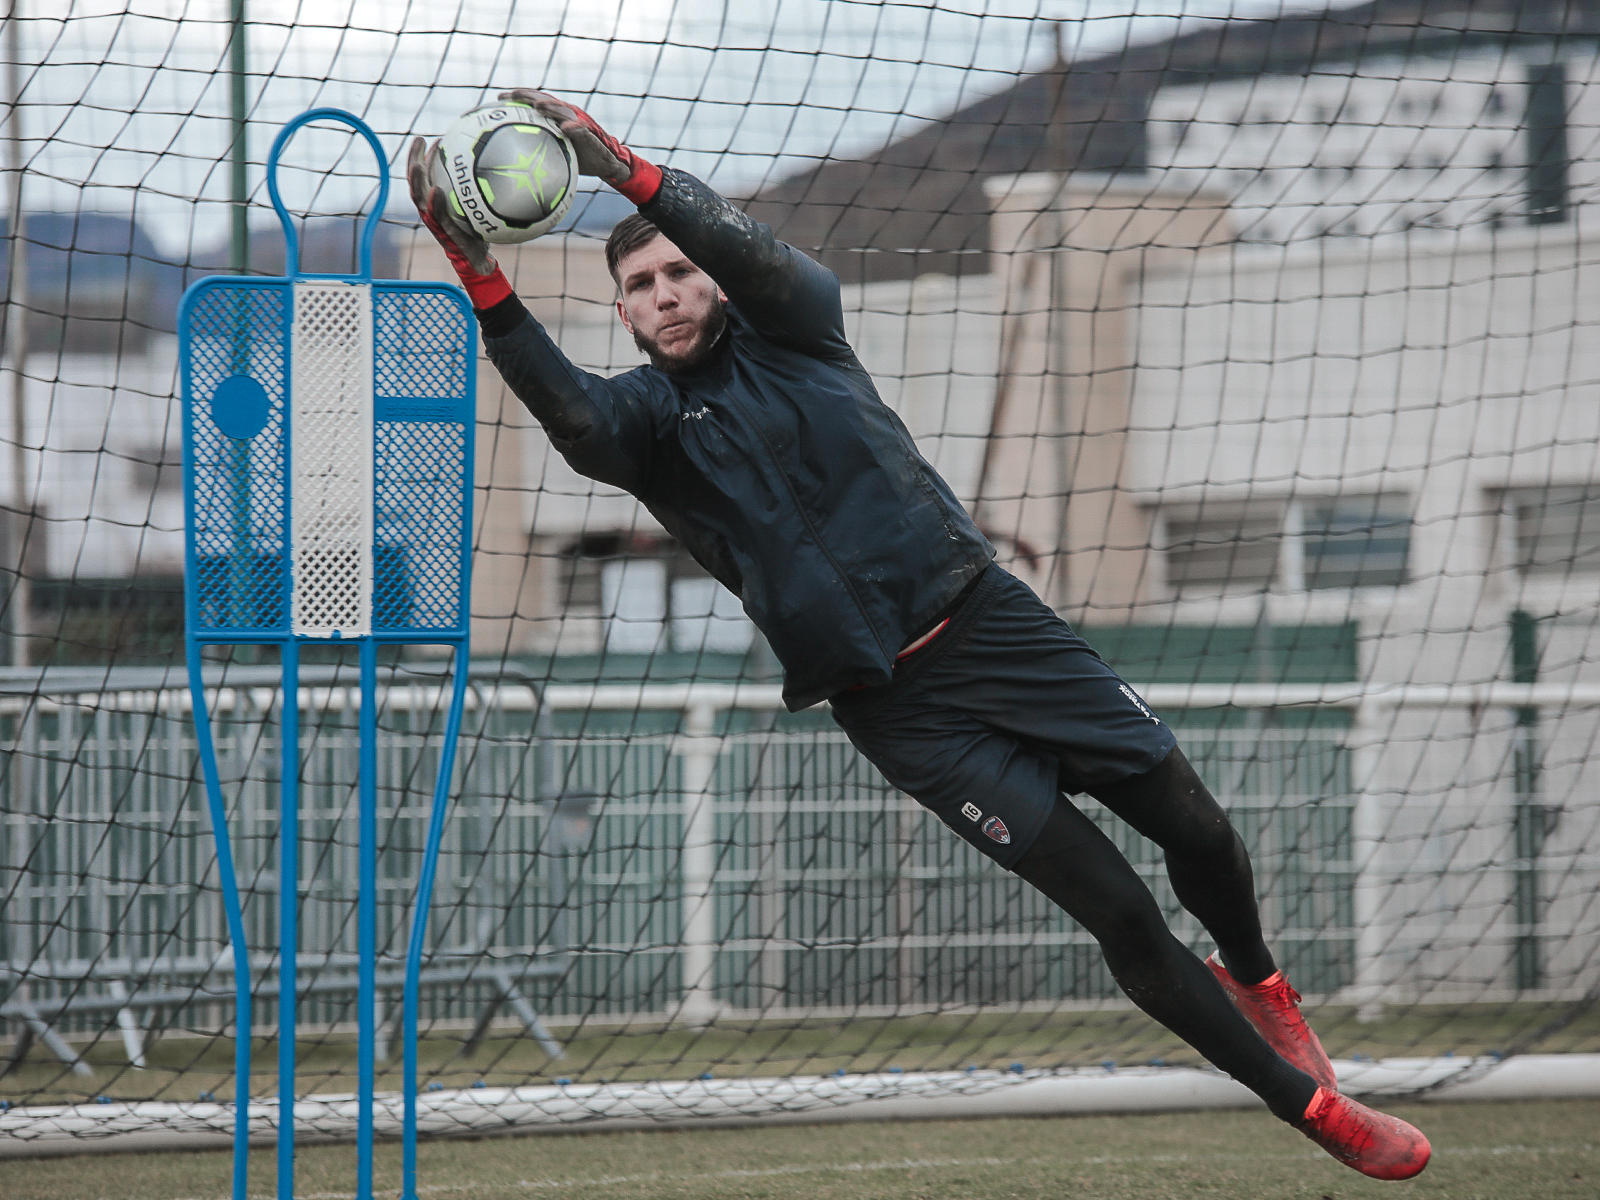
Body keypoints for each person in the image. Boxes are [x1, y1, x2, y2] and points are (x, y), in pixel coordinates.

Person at [407, 89, 1430, 1181]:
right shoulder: (643, 429)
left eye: (677, 272)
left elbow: (758, 258)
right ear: (621, 312)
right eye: (640, 286)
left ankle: (1260, 982)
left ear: (710, 278)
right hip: (899, 710)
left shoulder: (797, 331)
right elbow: (570, 420)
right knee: (1121, 914)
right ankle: (1312, 1110)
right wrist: (479, 272)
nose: (664, 294)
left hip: (993, 628)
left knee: (1201, 830)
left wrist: (623, 169)